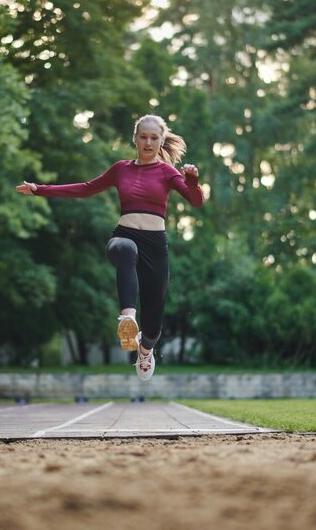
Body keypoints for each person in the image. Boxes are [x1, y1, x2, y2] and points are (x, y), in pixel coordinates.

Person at [16, 114, 203, 381]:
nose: (148, 142)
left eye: (153, 138)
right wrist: (39, 189)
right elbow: (84, 188)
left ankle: (145, 349)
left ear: (161, 141)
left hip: (155, 246)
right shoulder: (121, 169)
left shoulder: (167, 173)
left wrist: (193, 180)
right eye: (143, 137)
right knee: (126, 249)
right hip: (123, 235)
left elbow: (195, 202)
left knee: (153, 328)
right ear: (135, 139)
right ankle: (127, 318)